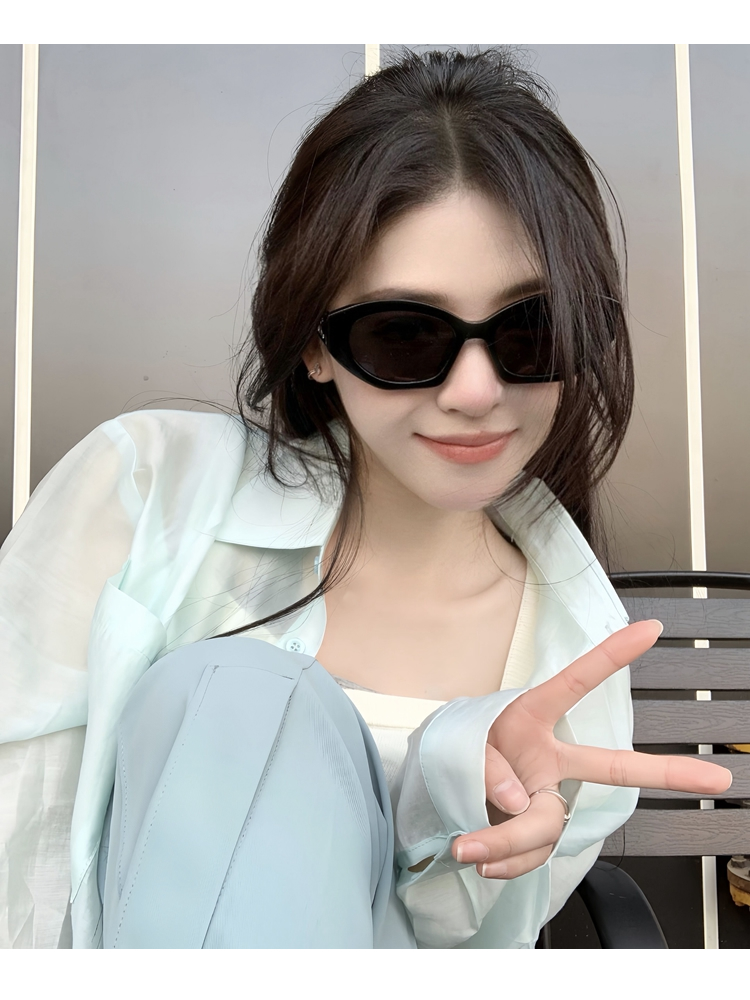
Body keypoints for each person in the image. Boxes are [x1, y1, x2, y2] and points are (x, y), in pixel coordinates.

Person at [0, 48, 730, 950]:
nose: (474, 391)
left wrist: (456, 792)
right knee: (238, 691)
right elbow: (20, 840)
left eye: (531, 330)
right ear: (312, 343)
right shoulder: (147, 493)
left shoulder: (573, 655)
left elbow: (471, 948)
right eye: (404, 333)